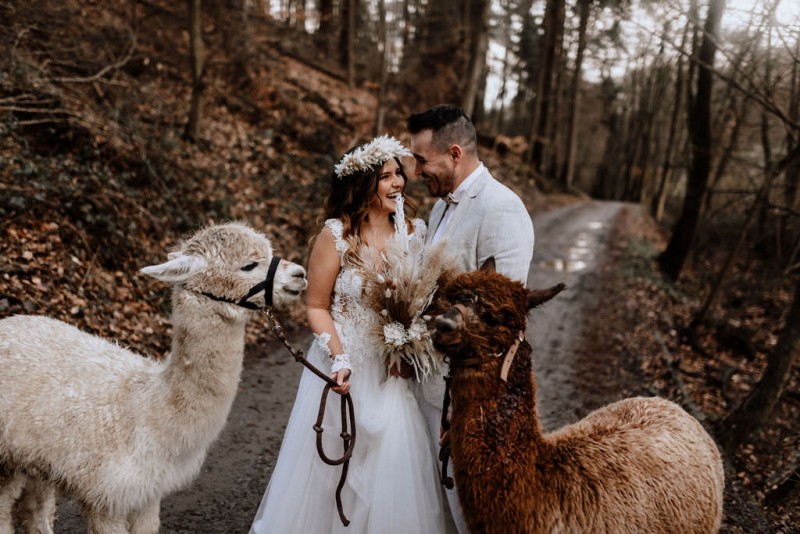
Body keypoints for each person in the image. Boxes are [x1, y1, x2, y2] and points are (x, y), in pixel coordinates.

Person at [250, 135, 445, 533]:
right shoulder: (336, 235)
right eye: (386, 177)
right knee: (326, 476)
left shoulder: (415, 233)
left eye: (399, 175)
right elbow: (316, 306)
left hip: (391, 375)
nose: (398, 184)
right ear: (361, 186)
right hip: (344, 365)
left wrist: (410, 350)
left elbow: (421, 301)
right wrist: (338, 357)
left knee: (391, 470)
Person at [407, 104, 535, 533]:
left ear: (455, 153)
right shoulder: (439, 208)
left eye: (423, 160)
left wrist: (468, 411)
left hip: (463, 400)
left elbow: (503, 326)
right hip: (426, 387)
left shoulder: (502, 210)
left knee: (471, 517)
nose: (416, 170)